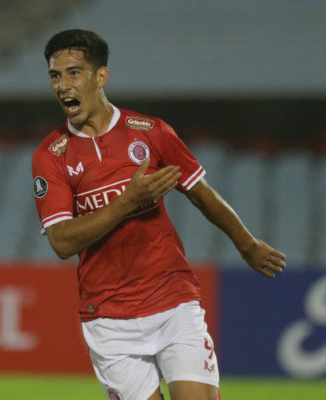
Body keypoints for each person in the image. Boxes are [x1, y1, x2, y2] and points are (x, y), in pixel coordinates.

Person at [31, 29, 287, 400]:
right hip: (107, 317)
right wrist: (127, 201)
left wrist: (246, 244)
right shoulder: (50, 155)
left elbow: (202, 195)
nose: (63, 85)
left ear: (100, 76)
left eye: (74, 73)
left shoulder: (151, 132)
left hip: (172, 301)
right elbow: (61, 241)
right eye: (55, 76)